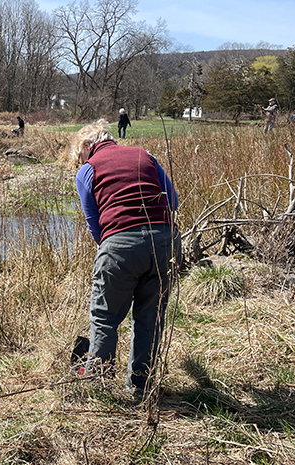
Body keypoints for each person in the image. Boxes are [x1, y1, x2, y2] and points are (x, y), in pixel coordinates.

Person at [71, 119, 179, 400]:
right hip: (165, 242)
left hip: (120, 243)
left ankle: (100, 386)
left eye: (80, 155)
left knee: (105, 317)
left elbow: (94, 222)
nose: (80, 160)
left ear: (86, 146)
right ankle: (141, 388)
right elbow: (173, 200)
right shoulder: (146, 156)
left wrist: (114, 251)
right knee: (150, 318)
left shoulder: (88, 169)